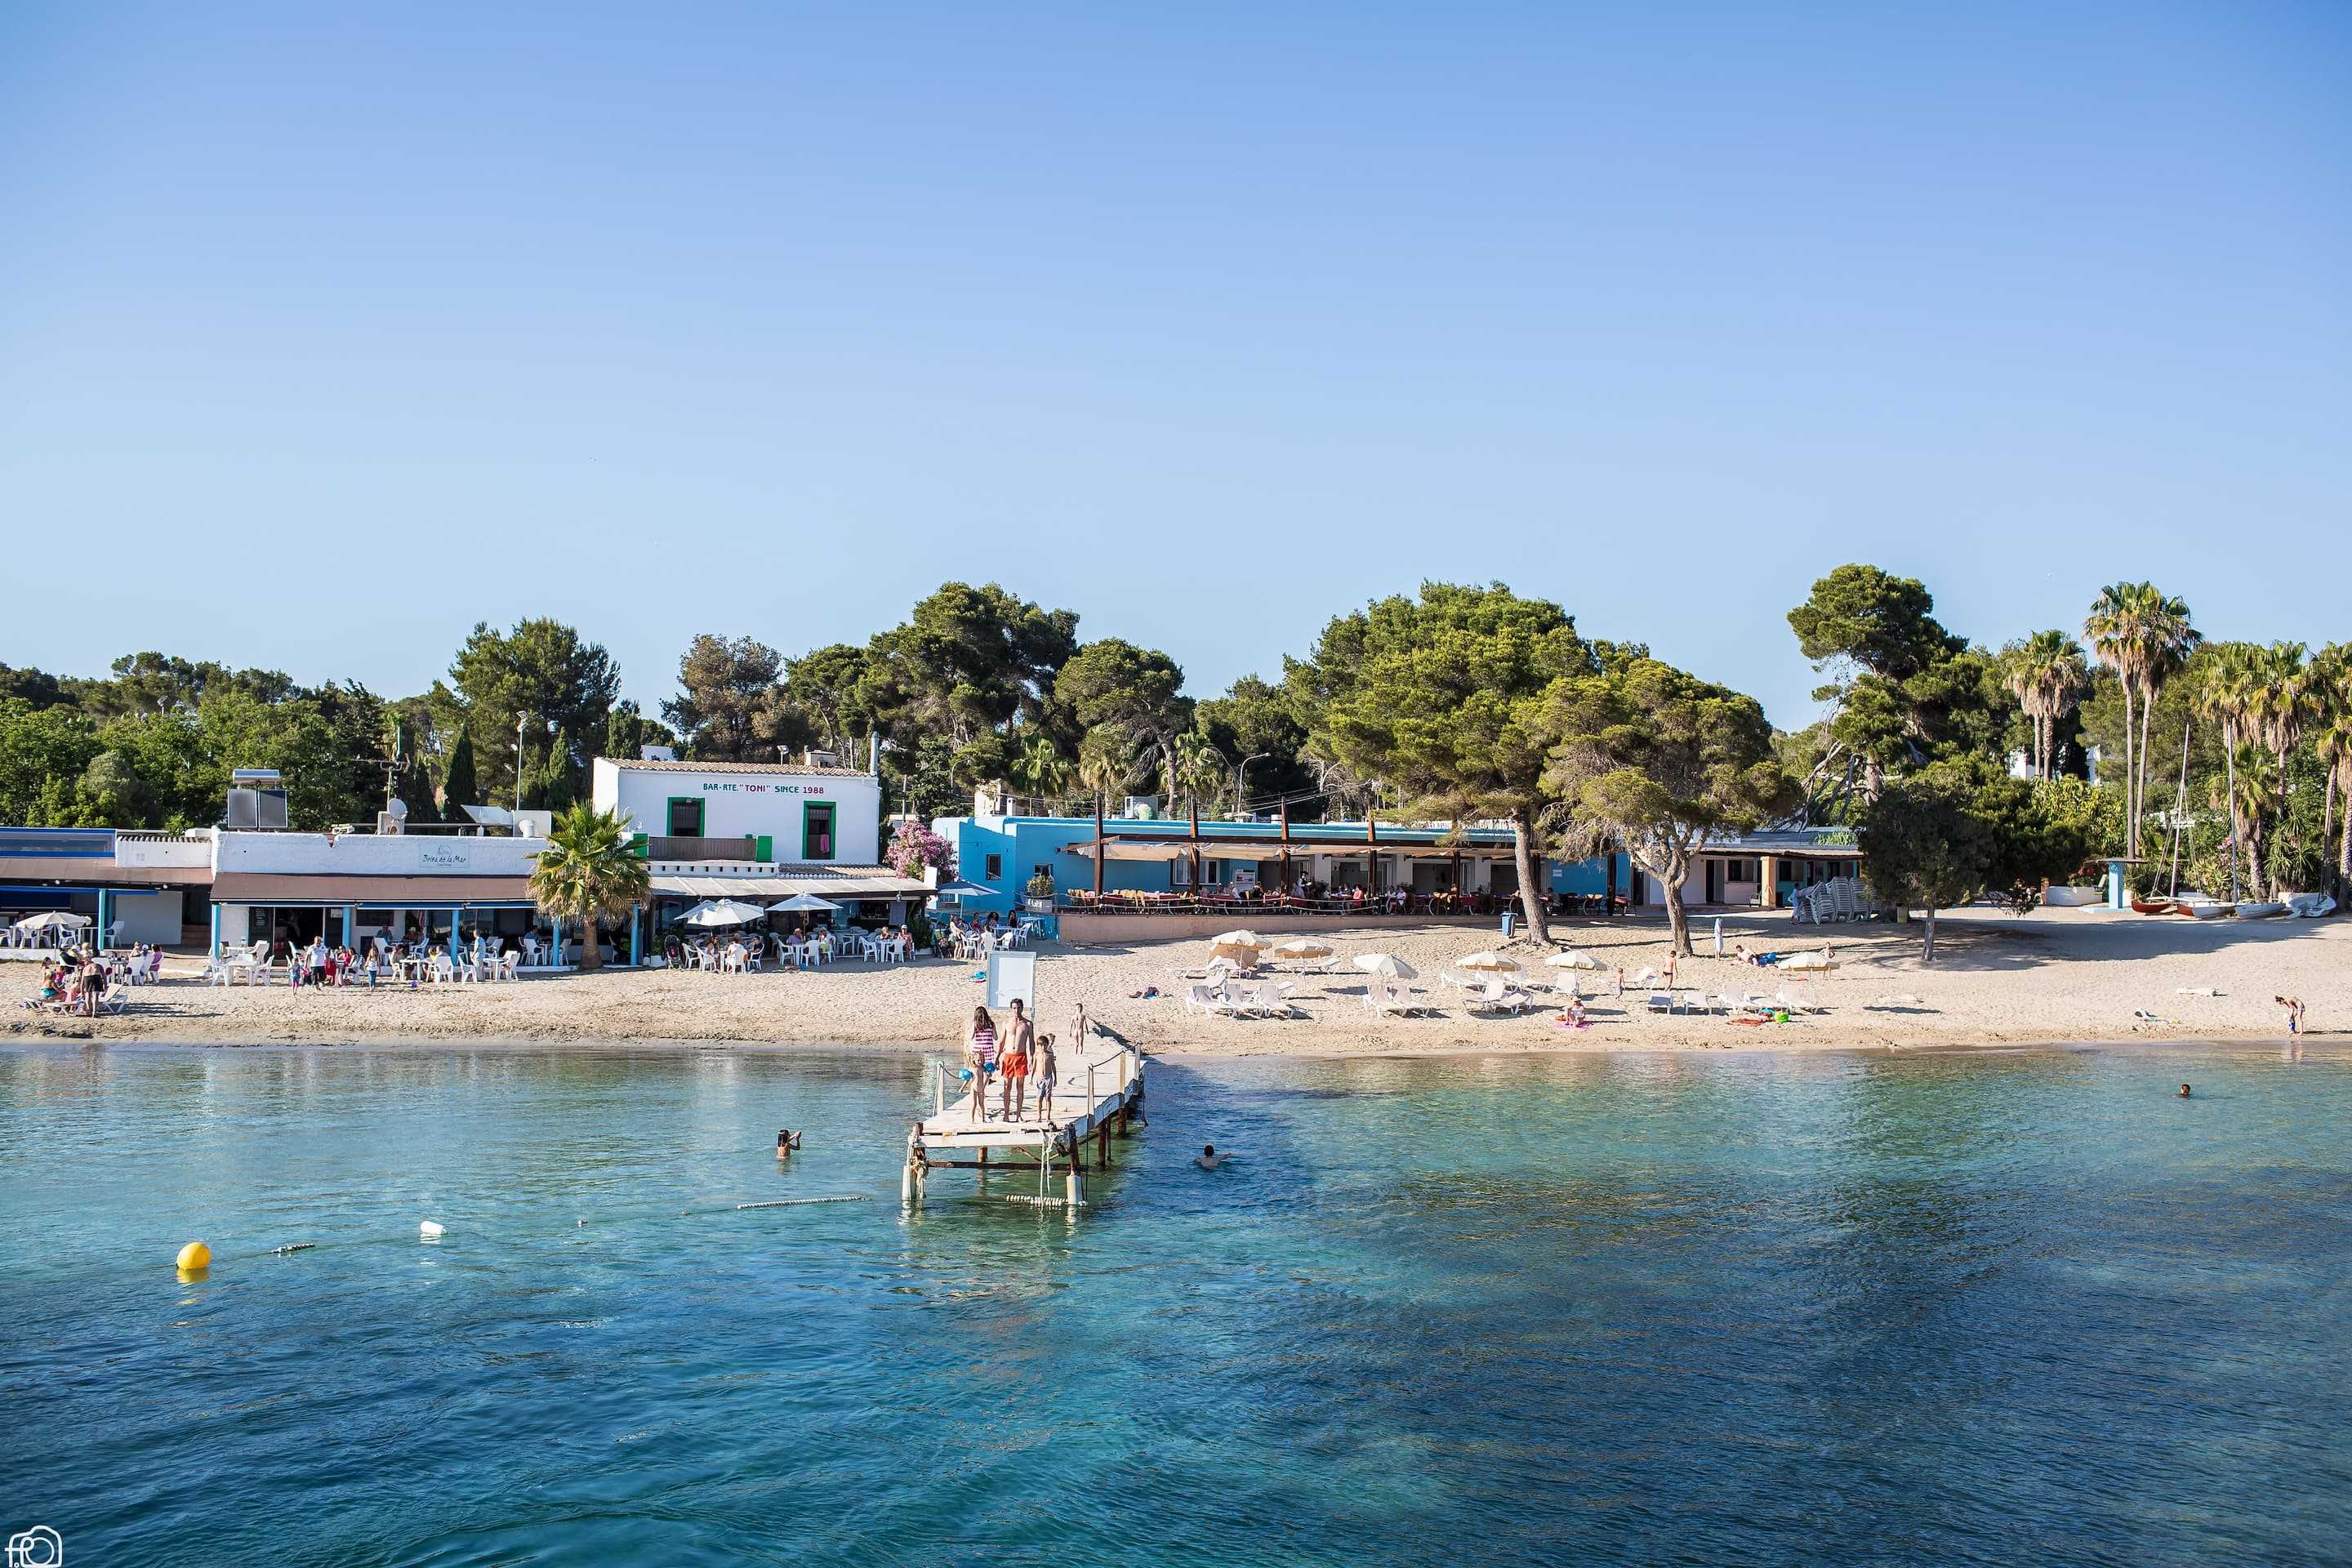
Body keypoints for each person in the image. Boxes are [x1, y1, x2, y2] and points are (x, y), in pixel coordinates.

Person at [1000, 998, 1034, 1120]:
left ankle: (1019, 1114)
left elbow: (1031, 1043)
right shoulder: (1006, 1023)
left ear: (1022, 1008)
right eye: (1014, 1008)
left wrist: (1031, 1059)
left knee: (1020, 1086)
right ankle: (1006, 1114)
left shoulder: (1028, 1024)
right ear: (1011, 1009)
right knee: (1007, 1087)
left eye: (1019, 1008)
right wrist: (997, 1057)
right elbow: (1002, 1041)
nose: (1016, 1010)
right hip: (1008, 1056)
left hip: (1021, 1056)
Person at [964, 1005, 998, 1125]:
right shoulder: (991, 1024)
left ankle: (978, 1091)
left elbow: (972, 1036)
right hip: (987, 1051)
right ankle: (982, 1091)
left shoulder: (975, 1024)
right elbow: (996, 1037)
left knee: (975, 1073)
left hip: (977, 1052)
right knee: (986, 1073)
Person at [1031, 1032, 1058, 1122]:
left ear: (1047, 1045)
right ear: (1038, 1046)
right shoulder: (1037, 1054)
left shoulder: (1050, 1055)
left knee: (1048, 1097)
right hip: (1039, 1078)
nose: (1043, 1047)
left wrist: (1055, 1078)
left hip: (1049, 1077)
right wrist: (1031, 1078)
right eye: (1041, 1045)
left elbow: (1053, 1067)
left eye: (1045, 1045)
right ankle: (1039, 1116)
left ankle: (1048, 1116)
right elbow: (1034, 1067)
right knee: (1039, 1098)